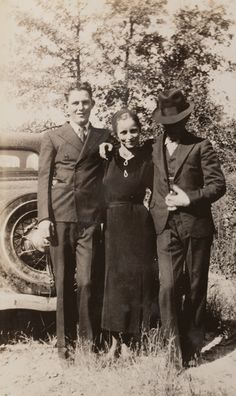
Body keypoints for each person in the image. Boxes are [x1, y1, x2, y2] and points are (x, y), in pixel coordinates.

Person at [150, 88, 226, 367]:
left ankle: (192, 350)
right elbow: (127, 153)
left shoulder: (201, 145)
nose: (172, 128)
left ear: (185, 120)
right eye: (167, 124)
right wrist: (106, 146)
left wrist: (189, 198)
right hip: (165, 226)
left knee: (195, 287)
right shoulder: (153, 146)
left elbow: (219, 185)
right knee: (168, 286)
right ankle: (172, 352)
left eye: (177, 122)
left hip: (195, 226)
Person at [37, 82, 110, 360]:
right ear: (67, 106)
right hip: (61, 217)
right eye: (75, 103)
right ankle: (64, 348)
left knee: (89, 281)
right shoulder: (53, 136)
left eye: (85, 102)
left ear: (92, 104)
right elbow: (43, 179)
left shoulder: (103, 136)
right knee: (65, 283)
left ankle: (89, 344)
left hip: (90, 220)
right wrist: (44, 218)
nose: (81, 107)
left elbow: (108, 179)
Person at [101, 108, 157, 358]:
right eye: (123, 131)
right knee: (114, 281)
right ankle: (114, 341)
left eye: (134, 130)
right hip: (112, 222)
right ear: (116, 134)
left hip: (138, 222)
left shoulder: (148, 156)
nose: (130, 135)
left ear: (140, 130)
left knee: (135, 281)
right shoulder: (106, 155)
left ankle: (129, 344)